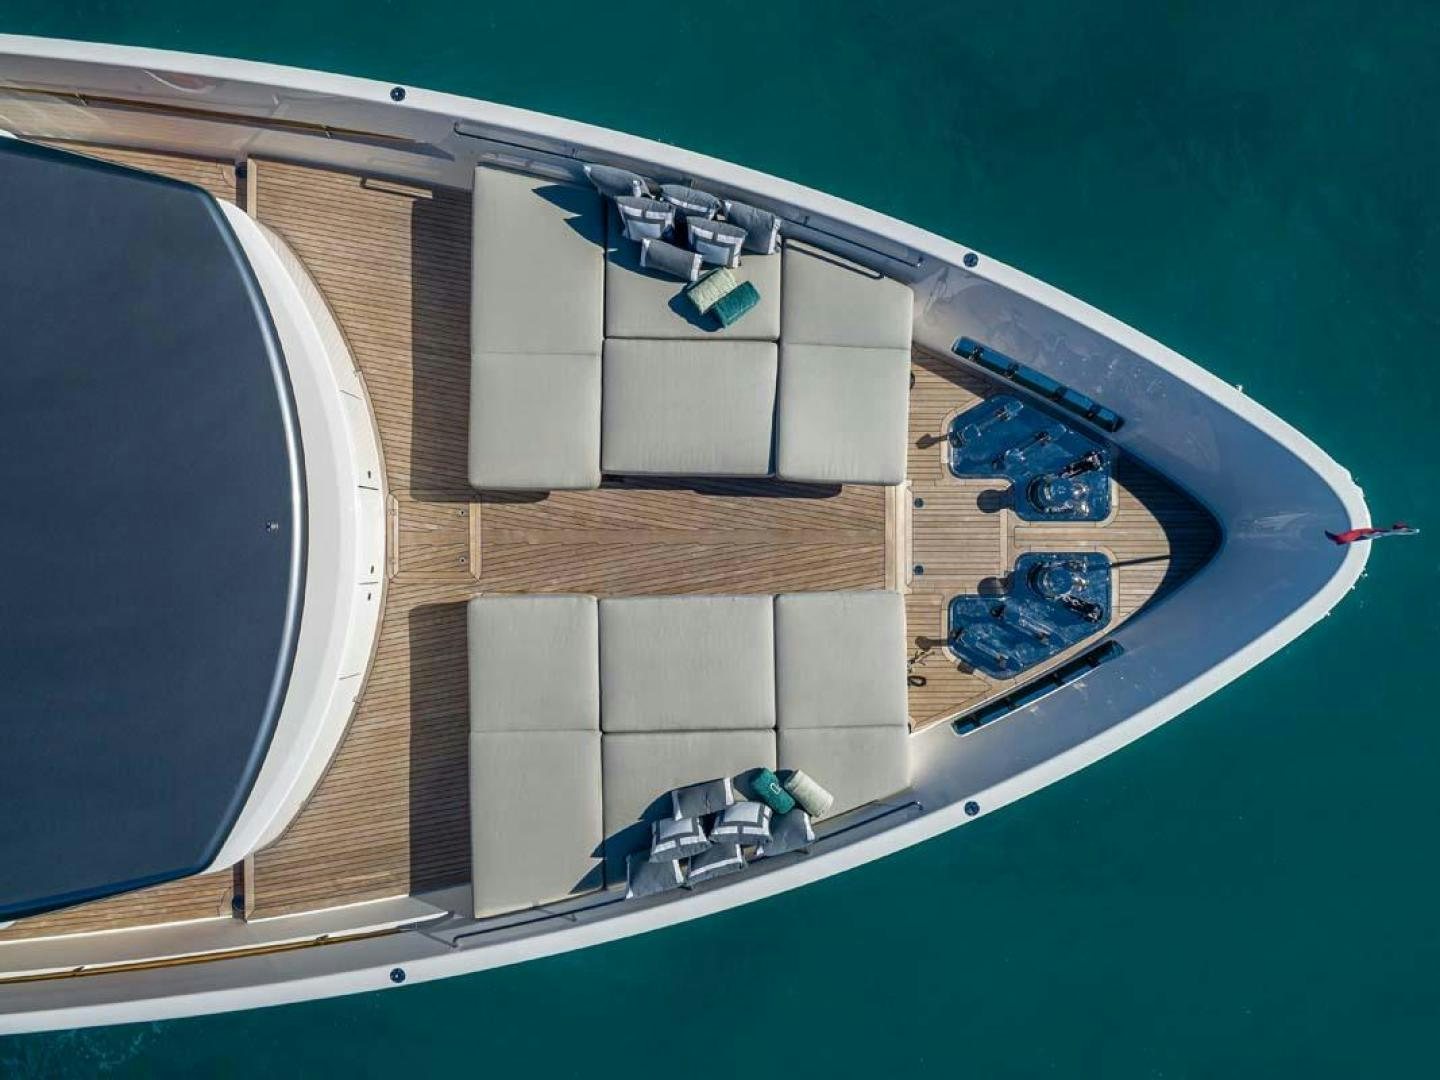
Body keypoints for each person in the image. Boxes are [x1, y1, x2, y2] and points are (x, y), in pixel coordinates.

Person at [1326, 522, 1420, 545]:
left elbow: (1403, 532)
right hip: (1373, 534)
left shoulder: (1395, 531)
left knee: (1355, 534)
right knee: (1355, 537)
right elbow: (1403, 533)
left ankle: (1339, 539)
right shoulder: (1394, 531)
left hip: (1372, 533)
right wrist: (1413, 531)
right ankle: (1339, 540)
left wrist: (1413, 531)